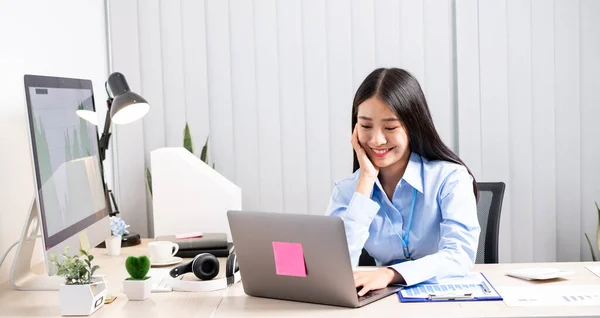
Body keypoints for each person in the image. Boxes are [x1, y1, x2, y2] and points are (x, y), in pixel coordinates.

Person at [326, 68, 481, 297]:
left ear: (413, 126)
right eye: (366, 126)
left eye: (390, 127)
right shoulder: (348, 189)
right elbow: (334, 268)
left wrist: (391, 273)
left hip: (445, 300)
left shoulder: (450, 178)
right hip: (381, 303)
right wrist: (366, 181)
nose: (377, 139)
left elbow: (460, 255)